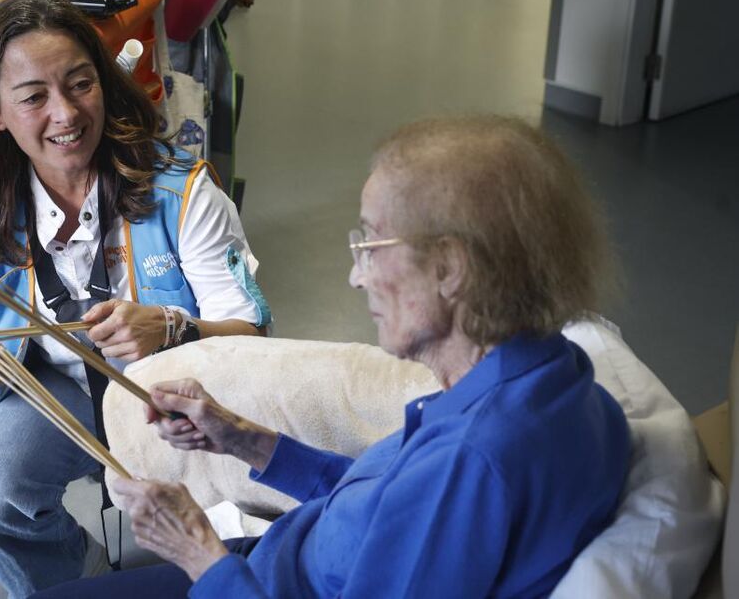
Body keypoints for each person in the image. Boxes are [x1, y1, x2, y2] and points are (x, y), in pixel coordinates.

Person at [34, 115, 631, 598]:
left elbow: (427, 508)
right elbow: (389, 511)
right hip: (279, 560)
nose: (353, 276)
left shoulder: (475, 462)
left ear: (450, 267)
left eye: (370, 245)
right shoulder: (553, 376)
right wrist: (244, 438)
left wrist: (196, 548)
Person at [0, 0, 270, 598]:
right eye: (33, 97)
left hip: (177, 391)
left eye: (80, 84)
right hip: (61, 394)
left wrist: (170, 326)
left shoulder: (182, 193)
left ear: (104, 85)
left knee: (234, 540)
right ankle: (69, 582)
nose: (65, 114)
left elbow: (254, 333)